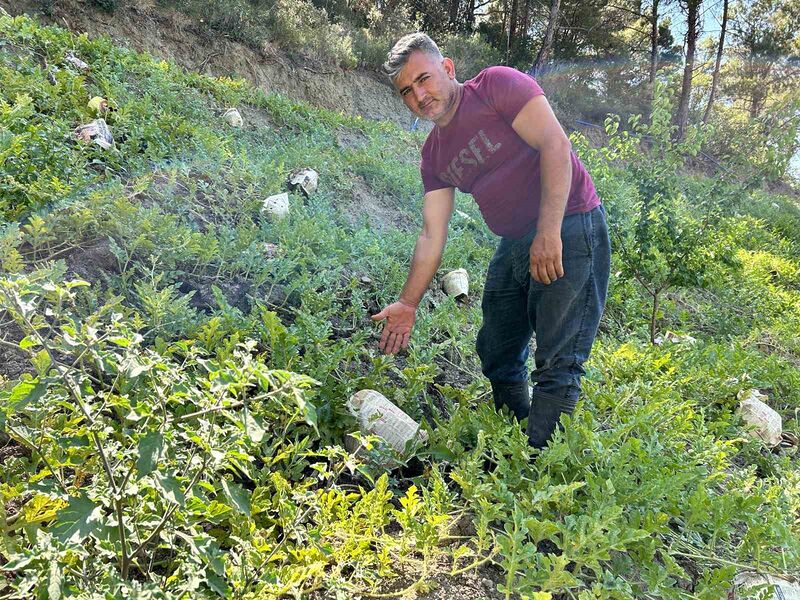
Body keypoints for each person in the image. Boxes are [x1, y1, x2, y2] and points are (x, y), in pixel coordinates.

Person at [371, 33, 610, 449]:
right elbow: (432, 233)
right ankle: (516, 441)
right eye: (407, 91)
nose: (420, 95)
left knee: (558, 362)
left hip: (570, 223)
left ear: (447, 68)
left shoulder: (497, 86)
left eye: (424, 79)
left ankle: (539, 473)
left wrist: (549, 231)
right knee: (498, 351)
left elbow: (555, 143)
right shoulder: (434, 154)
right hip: (515, 240)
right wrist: (408, 303)